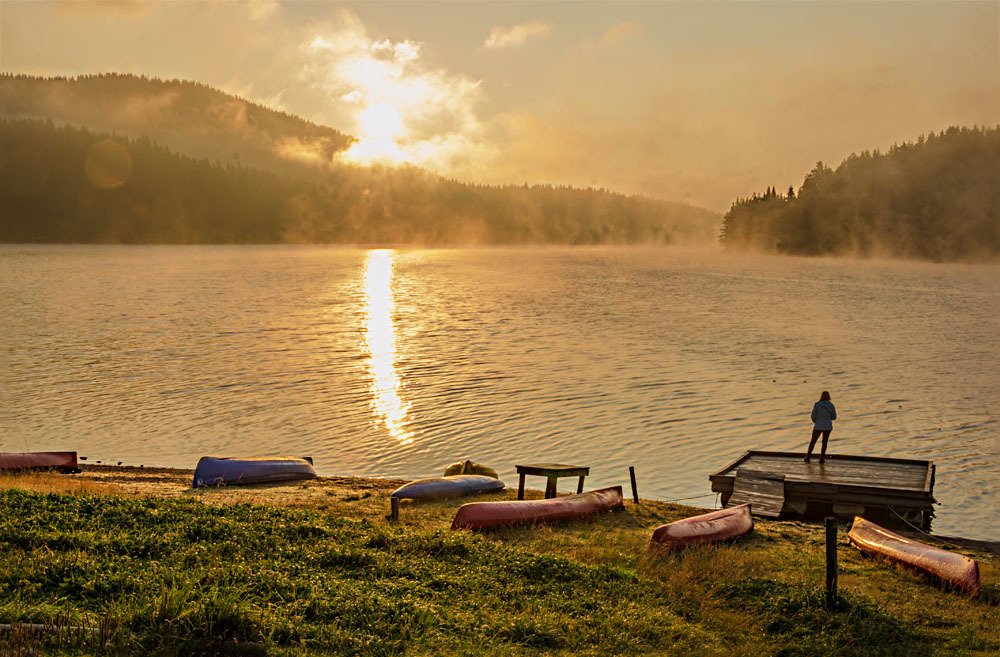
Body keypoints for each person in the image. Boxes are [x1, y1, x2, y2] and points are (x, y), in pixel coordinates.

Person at [805, 390, 836, 464]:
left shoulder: (817, 404)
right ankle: (821, 458)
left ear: (821, 396)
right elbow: (834, 417)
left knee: (813, 441)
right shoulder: (831, 405)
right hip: (827, 427)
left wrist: (816, 421)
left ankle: (808, 457)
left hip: (818, 426)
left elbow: (813, 416)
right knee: (824, 442)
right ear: (829, 397)